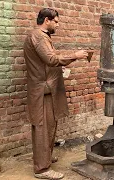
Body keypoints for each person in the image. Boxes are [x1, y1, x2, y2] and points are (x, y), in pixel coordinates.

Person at [24, 8, 88, 179]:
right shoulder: (38, 36)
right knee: (43, 128)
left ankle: (45, 158)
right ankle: (42, 169)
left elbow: (46, 63)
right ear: (47, 20)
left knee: (50, 126)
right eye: (56, 21)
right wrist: (75, 55)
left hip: (47, 90)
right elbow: (51, 59)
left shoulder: (43, 36)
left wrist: (61, 67)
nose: (58, 25)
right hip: (42, 91)